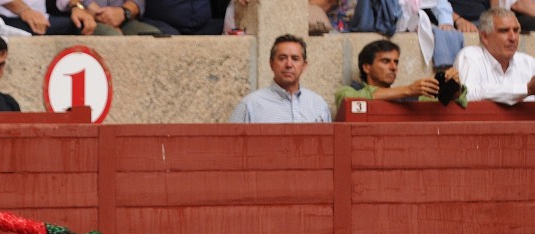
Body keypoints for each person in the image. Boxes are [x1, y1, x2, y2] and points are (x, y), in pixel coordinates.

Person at [228, 34, 331, 123]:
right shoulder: (250, 106)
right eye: (282, 58)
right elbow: (229, 143)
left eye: (295, 59)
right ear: (271, 63)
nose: (289, 64)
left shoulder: (318, 105)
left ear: (304, 65)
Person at [335, 39, 467, 108]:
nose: (393, 67)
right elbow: (348, 99)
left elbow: (456, 102)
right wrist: (409, 90)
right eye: (386, 61)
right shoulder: (349, 91)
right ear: (366, 67)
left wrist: (454, 87)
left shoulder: (411, 95)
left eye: (396, 62)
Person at [454, 7, 535, 103]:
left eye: (516, 30)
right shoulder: (470, 56)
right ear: (484, 36)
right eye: (504, 31)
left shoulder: (528, 63)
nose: (513, 38)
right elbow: (467, 94)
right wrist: (525, 89)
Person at [53, 0, 162, 35]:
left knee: (153, 37)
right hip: (85, 17)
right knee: (112, 37)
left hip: (123, 17)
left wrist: (123, 12)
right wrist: (89, 8)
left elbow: (137, 2)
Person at [0, 0, 84, 34]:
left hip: (42, 19)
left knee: (80, 26)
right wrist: (24, 10)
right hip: (1, 18)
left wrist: (76, 7)